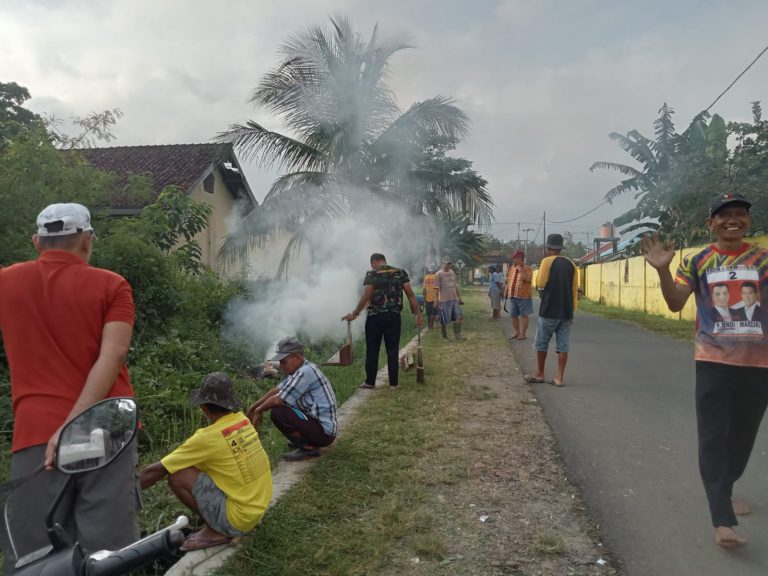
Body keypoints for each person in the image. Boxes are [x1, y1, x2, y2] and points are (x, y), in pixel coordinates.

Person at [0, 203, 139, 559]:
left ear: (37, 242)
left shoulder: (6, 283)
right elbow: (112, 356)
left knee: (36, 549)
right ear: (87, 241)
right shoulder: (112, 286)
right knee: (107, 547)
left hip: (36, 433)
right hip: (107, 426)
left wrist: (59, 428)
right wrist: (73, 423)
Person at [641, 192, 768, 549]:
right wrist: (664, 269)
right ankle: (721, 520)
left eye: (740, 213)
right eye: (724, 214)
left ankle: (724, 490)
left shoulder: (763, 261)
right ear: (710, 223)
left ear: (748, 221)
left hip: (758, 367)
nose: (733, 219)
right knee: (713, 439)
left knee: (741, 441)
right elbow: (675, 302)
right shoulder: (696, 261)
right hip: (712, 362)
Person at [140, 372, 272, 551]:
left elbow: (155, 471)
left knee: (178, 475)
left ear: (204, 407)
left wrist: (122, 494)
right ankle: (222, 520)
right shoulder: (242, 420)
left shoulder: (207, 438)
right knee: (193, 465)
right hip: (257, 508)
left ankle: (218, 529)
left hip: (239, 519)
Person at [247, 337, 339, 461]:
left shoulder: (305, 372)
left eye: (284, 362)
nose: (281, 366)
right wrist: (253, 407)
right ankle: (303, 441)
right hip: (317, 425)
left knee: (279, 411)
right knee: (283, 407)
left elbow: (277, 400)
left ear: (296, 358)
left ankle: (308, 447)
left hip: (324, 433)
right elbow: (277, 390)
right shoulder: (297, 371)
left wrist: (258, 411)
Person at [342, 253, 422, 389]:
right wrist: (417, 314)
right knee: (392, 350)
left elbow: (366, 295)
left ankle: (370, 382)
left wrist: (355, 313)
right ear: (384, 260)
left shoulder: (372, 273)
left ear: (373, 262)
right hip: (394, 317)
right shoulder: (400, 272)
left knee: (372, 350)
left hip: (375, 317)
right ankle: (393, 384)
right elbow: (411, 295)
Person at [524, 234, 578, 387]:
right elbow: (574, 290)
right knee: (563, 345)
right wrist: (572, 311)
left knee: (542, 343)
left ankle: (540, 374)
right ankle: (559, 378)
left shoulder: (547, 261)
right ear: (561, 248)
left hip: (549, 309)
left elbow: (540, 283)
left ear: (548, 248)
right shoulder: (571, 264)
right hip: (567, 311)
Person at [434, 256, 466, 340]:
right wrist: (436, 301)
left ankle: (458, 336)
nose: (449, 266)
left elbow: (455, 286)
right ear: (443, 264)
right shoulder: (438, 274)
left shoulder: (452, 272)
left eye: (450, 264)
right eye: (447, 264)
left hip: (454, 299)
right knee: (444, 320)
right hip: (444, 300)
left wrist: (459, 298)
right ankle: (444, 337)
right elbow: (436, 289)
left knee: (459, 316)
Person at [505, 249, 533, 340]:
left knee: (524, 315)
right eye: (513, 258)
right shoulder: (512, 268)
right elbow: (509, 281)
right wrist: (506, 291)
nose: (514, 260)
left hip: (523, 296)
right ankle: (517, 332)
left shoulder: (527, 268)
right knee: (513, 315)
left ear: (520, 258)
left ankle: (523, 334)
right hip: (513, 295)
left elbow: (528, 279)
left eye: (515, 258)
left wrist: (521, 270)